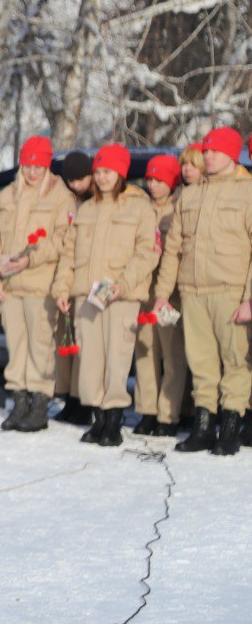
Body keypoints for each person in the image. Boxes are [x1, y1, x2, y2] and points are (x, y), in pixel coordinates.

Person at [153, 127, 252, 455]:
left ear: (232, 154)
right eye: (205, 151)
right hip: (193, 290)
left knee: (235, 361)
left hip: (231, 290)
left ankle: (231, 428)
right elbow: (173, 249)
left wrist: (249, 299)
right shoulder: (190, 194)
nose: (207, 156)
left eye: (215, 151)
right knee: (201, 362)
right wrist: (163, 293)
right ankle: (203, 427)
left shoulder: (247, 191)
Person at [53, 143, 159, 447]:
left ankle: (113, 419)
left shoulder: (139, 207)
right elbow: (68, 253)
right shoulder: (86, 210)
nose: (101, 177)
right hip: (86, 296)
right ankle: (96, 417)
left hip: (122, 297)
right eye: (98, 171)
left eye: (108, 172)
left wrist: (122, 284)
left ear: (121, 174)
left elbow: (147, 253)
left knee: (118, 356)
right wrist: (62, 288)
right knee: (90, 359)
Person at [0, 136, 76, 432]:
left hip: (41, 285)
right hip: (11, 287)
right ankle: (19, 400)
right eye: (27, 165)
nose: (32, 172)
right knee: (16, 346)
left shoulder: (60, 196)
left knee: (39, 346)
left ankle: (39, 403)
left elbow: (64, 239)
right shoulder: (8, 195)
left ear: (47, 166)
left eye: (38, 166)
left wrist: (30, 260)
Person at [132, 155, 186, 436]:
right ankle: (147, 411)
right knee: (145, 352)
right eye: (150, 179)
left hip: (170, 294)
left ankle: (169, 414)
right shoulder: (140, 207)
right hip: (143, 291)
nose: (152, 184)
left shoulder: (180, 206)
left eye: (160, 180)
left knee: (172, 355)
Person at [52, 151, 94, 425]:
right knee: (65, 343)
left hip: (88, 281)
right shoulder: (67, 199)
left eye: (80, 179)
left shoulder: (94, 202)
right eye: (71, 180)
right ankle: (67, 396)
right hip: (65, 279)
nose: (75, 185)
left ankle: (82, 400)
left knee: (83, 346)